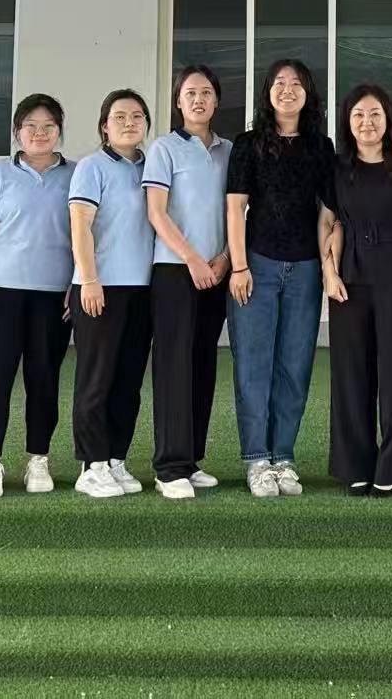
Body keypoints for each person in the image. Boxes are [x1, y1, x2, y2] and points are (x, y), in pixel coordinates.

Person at [225, 58, 337, 498]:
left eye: (296, 84)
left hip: (305, 269)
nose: (287, 90)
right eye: (279, 83)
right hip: (257, 265)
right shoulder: (248, 144)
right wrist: (238, 266)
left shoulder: (321, 146)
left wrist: (327, 266)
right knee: (253, 366)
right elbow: (235, 207)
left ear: (308, 93)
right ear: (267, 92)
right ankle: (257, 459)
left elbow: (329, 212)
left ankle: (284, 456)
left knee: (294, 365)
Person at [322, 83, 392, 496]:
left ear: (388, 119)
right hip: (350, 279)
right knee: (351, 373)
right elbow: (327, 222)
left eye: (374, 114)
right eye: (358, 115)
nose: (366, 123)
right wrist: (328, 274)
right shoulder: (338, 168)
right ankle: (355, 465)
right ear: (347, 123)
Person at [0, 94, 75, 500]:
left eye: (48, 126)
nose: (39, 133)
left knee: (44, 380)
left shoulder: (76, 174)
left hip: (54, 295)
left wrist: (79, 282)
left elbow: (87, 234)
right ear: (16, 132)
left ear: (59, 131)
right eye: (31, 126)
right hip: (0, 294)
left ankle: (38, 458)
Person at [145, 65, 232, 499]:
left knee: (202, 363)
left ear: (217, 100)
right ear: (178, 101)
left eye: (206, 93)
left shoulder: (229, 150)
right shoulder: (164, 148)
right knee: (174, 366)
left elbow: (239, 211)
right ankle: (169, 467)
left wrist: (225, 258)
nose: (199, 100)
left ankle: (192, 459)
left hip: (217, 270)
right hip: (176, 271)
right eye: (190, 93)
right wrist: (193, 259)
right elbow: (156, 212)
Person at [69, 90, 156, 500]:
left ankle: (116, 458)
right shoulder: (92, 167)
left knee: (127, 381)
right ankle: (92, 464)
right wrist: (89, 280)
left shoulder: (151, 167)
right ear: (104, 125)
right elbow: (80, 227)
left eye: (137, 116)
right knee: (96, 379)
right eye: (119, 116)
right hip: (100, 288)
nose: (129, 123)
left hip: (142, 290)